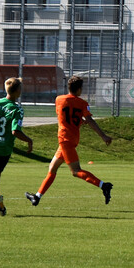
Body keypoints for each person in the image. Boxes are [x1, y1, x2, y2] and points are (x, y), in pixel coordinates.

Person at [25, 76, 112, 207]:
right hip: (71, 139)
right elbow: (89, 120)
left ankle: (103, 185)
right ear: (78, 89)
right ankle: (37, 197)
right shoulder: (83, 103)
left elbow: (64, 116)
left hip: (65, 139)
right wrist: (103, 136)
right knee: (52, 168)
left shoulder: (59, 99)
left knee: (76, 171)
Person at [0, 77, 33, 216]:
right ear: (17, 91)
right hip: (5, 150)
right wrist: (29, 141)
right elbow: (15, 131)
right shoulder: (17, 109)